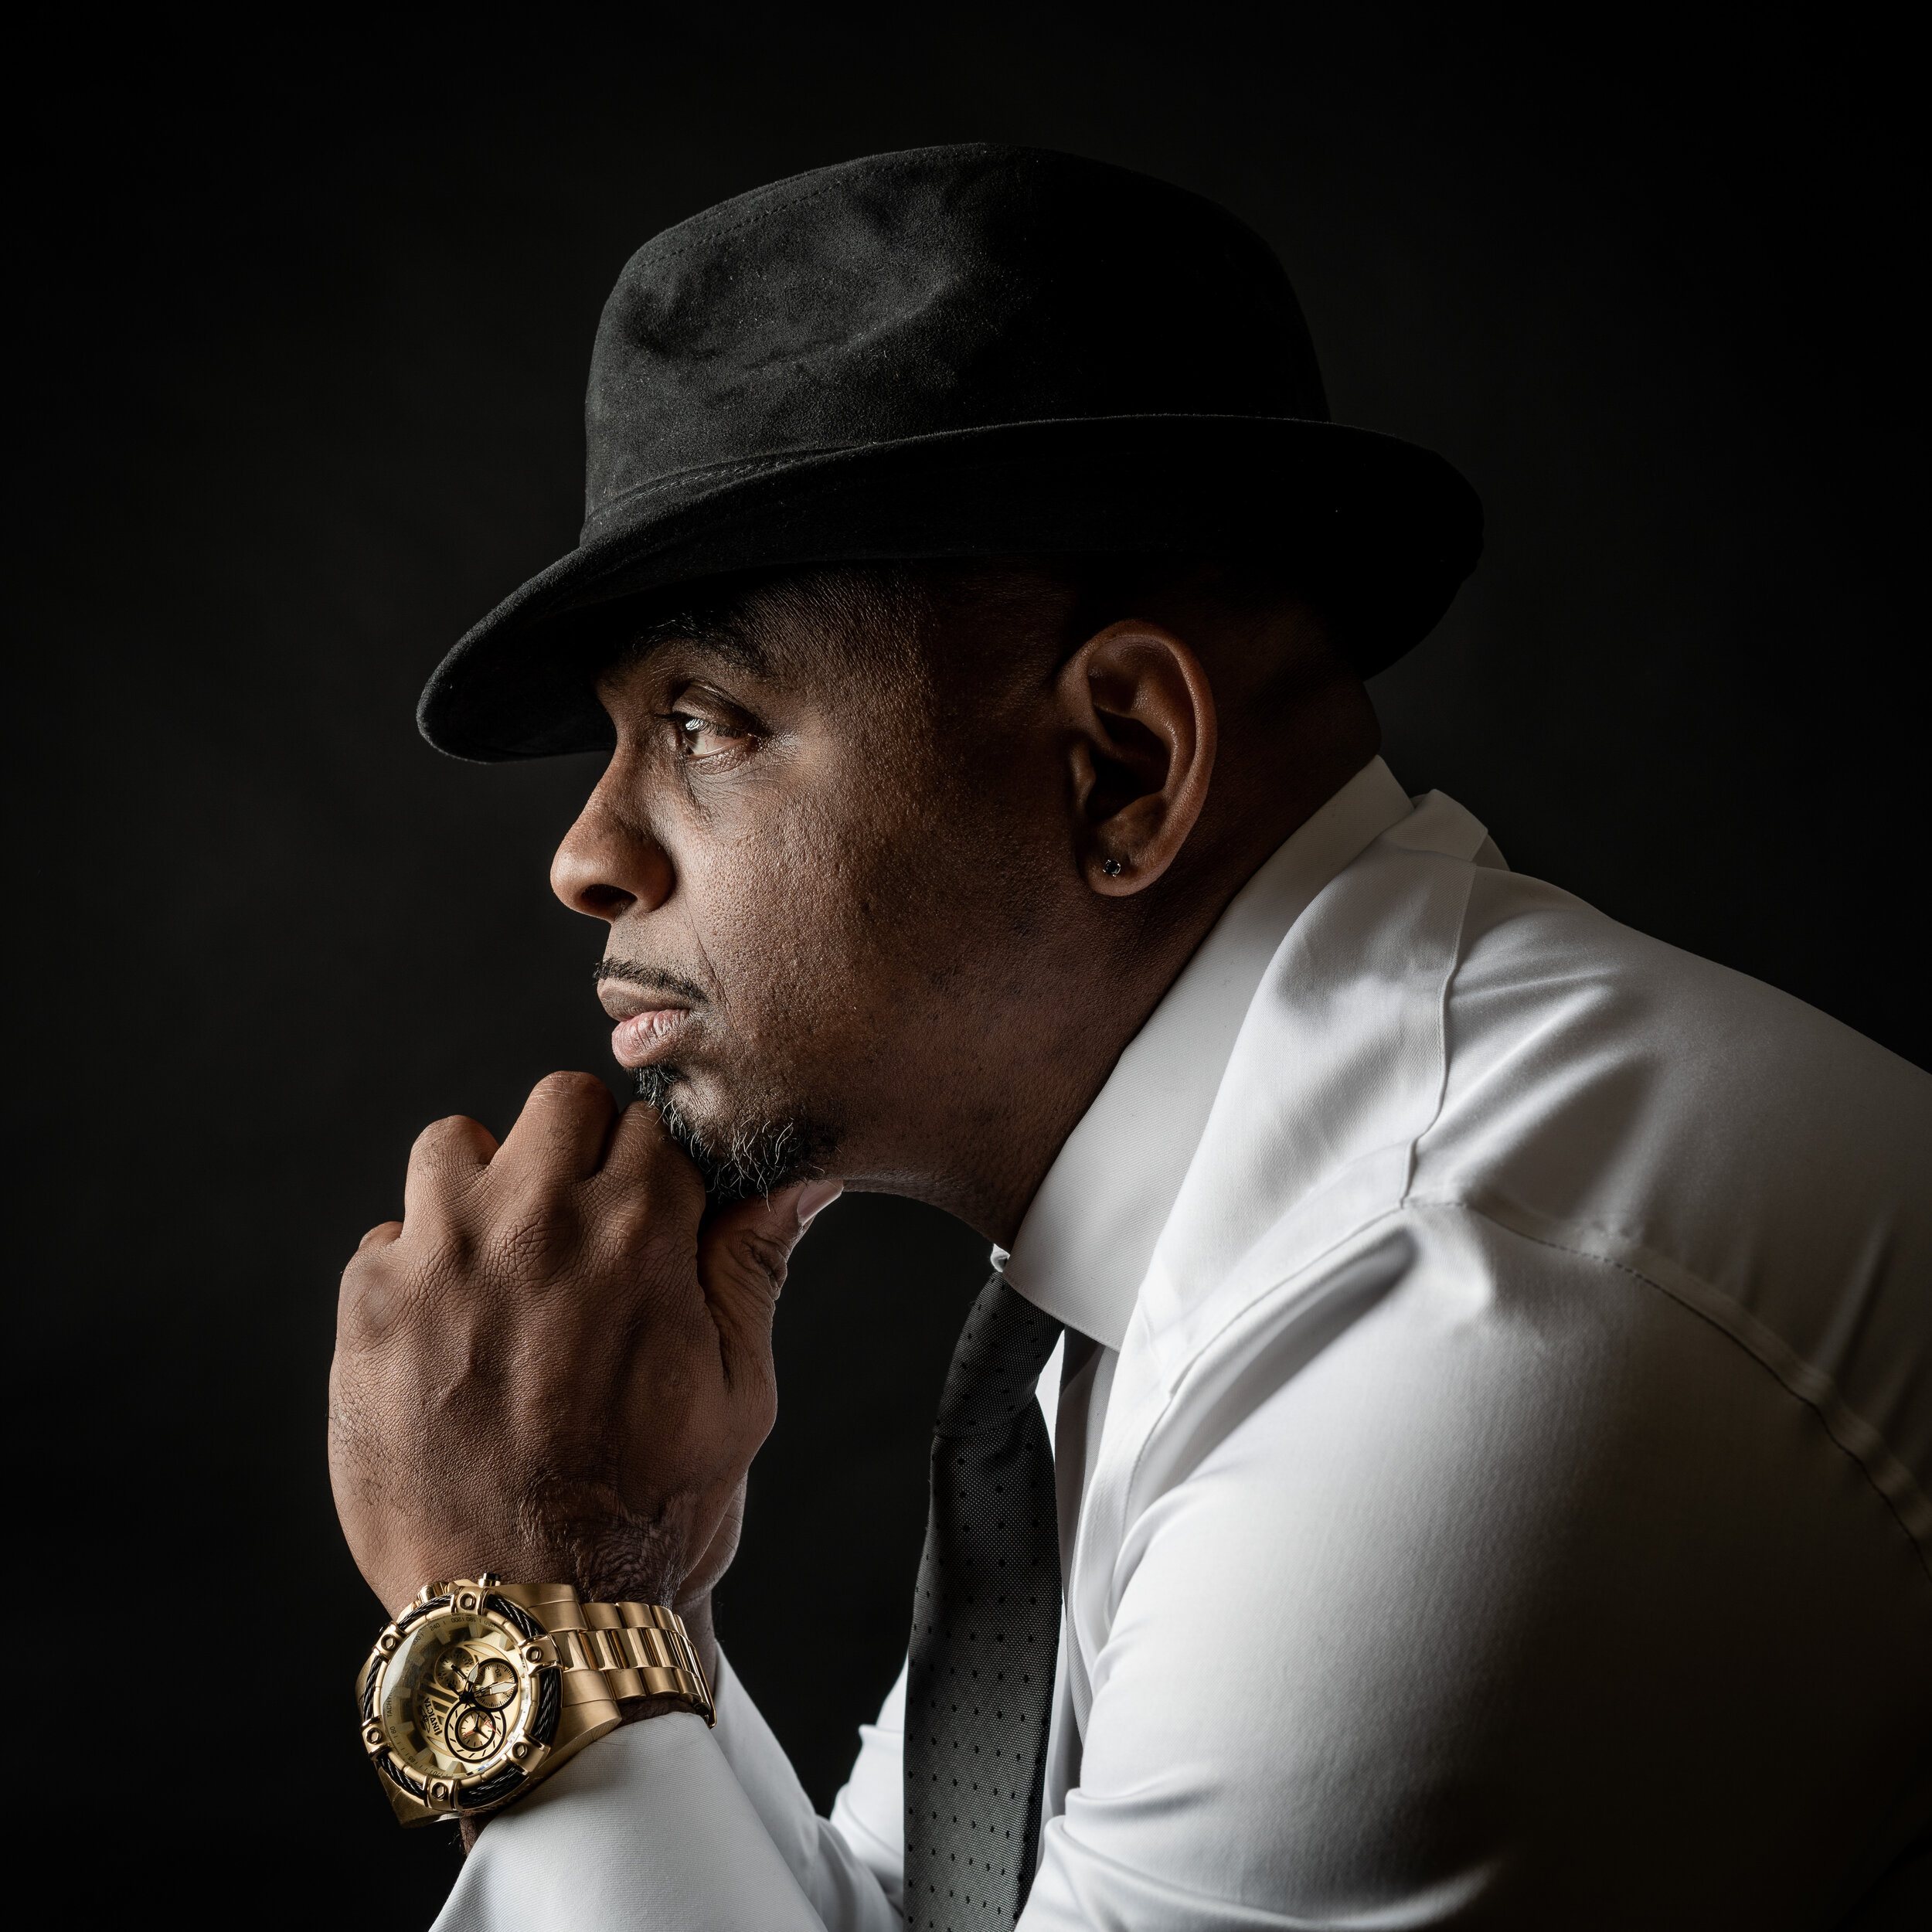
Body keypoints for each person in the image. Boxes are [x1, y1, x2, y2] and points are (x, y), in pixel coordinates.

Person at [328, 145, 1932, 1930]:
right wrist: (625, 1597)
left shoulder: (1452, 1312)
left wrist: (520, 1618)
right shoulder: (1176, 1258)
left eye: (706, 720)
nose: (585, 851)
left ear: (1124, 764)